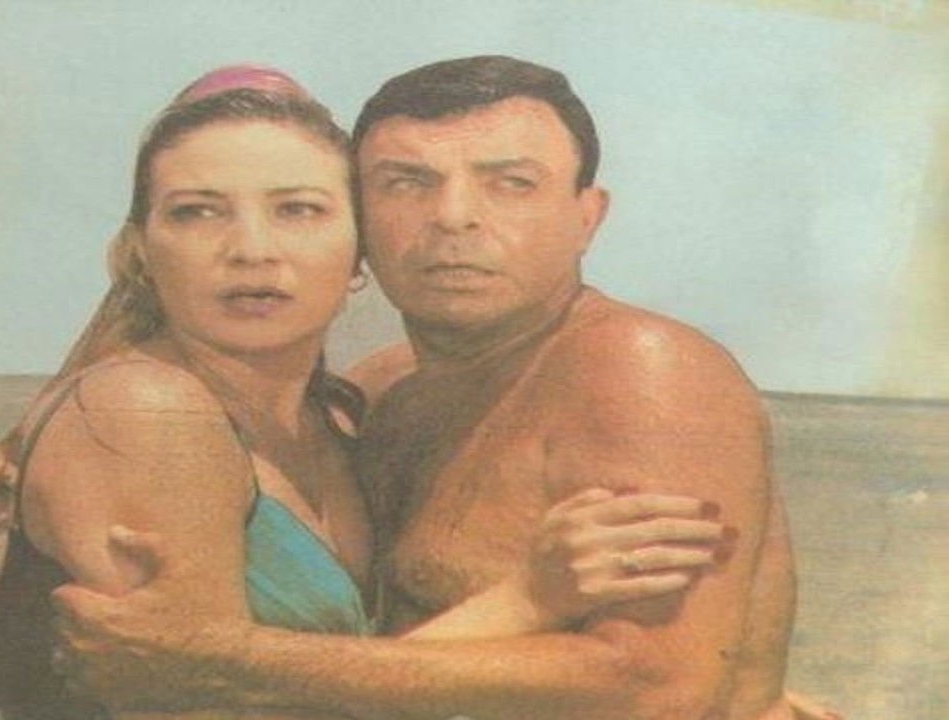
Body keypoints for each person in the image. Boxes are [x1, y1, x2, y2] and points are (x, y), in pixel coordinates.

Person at [45, 56, 831, 720]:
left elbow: (660, 688)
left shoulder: (640, 368)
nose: (454, 217)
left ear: (587, 216)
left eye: (510, 183)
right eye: (406, 183)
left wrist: (225, 662)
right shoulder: (378, 395)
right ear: (360, 223)